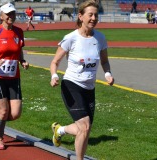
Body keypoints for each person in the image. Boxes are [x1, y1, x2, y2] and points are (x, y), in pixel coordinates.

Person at [49, 0, 114, 159]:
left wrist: (107, 74)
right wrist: (54, 75)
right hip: (71, 85)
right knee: (84, 127)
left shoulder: (100, 38)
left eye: (96, 15)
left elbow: (104, 61)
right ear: (81, 16)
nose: (93, 18)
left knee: (85, 129)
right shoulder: (71, 38)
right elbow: (55, 62)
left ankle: (60, 130)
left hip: (89, 89)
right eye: (90, 15)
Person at [0, 2, 29, 150]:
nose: (10, 16)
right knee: (3, 111)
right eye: (7, 14)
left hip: (14, 77)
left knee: (15, 114)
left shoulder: (19, 32)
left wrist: (22, 61)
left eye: (13, 13)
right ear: (1, 16)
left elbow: (18, 50)